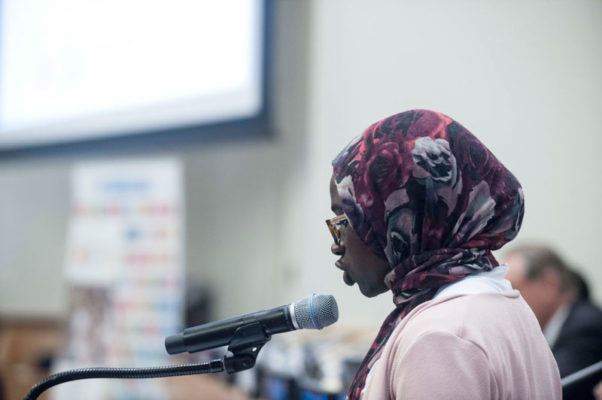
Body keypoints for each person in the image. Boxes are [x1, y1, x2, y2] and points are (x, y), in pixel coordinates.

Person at [327, 109, 561, 399]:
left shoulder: (441, 336)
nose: (336, 244)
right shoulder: (502, 302)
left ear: (397, 216)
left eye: (344, 219)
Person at [504, 244, 602, 400]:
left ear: (550, 284)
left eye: (512, 288)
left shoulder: (586, 327)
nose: (504, 300)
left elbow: (547, 391)